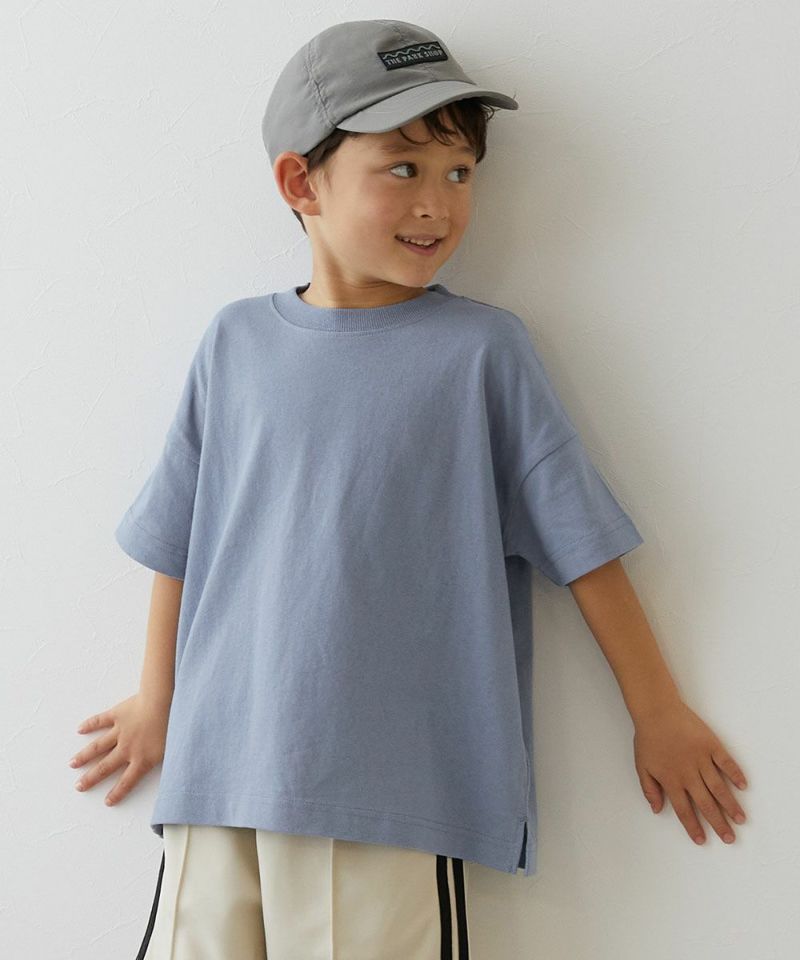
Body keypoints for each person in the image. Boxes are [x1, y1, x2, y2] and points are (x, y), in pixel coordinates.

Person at [68, 18, 749, 960]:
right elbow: (180, 543)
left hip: (390, 791)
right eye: (403, 167)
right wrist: (159, 700)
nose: (439, 203)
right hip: (219, 776)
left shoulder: (482, 354)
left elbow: (583, 544)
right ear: (300, 183)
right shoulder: (234, 345)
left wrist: (657, 710)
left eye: (460, 172)